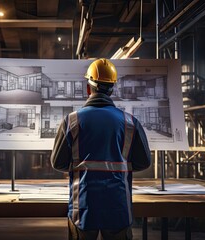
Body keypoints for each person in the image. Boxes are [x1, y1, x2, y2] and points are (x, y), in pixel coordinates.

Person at [50, 58, 151, 240]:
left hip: (83, 207)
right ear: (112, 89)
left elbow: (58, 162)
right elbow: (144, 162)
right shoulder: (130, 122)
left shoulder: (71, 121)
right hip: (118, 206)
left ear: (89, 88)